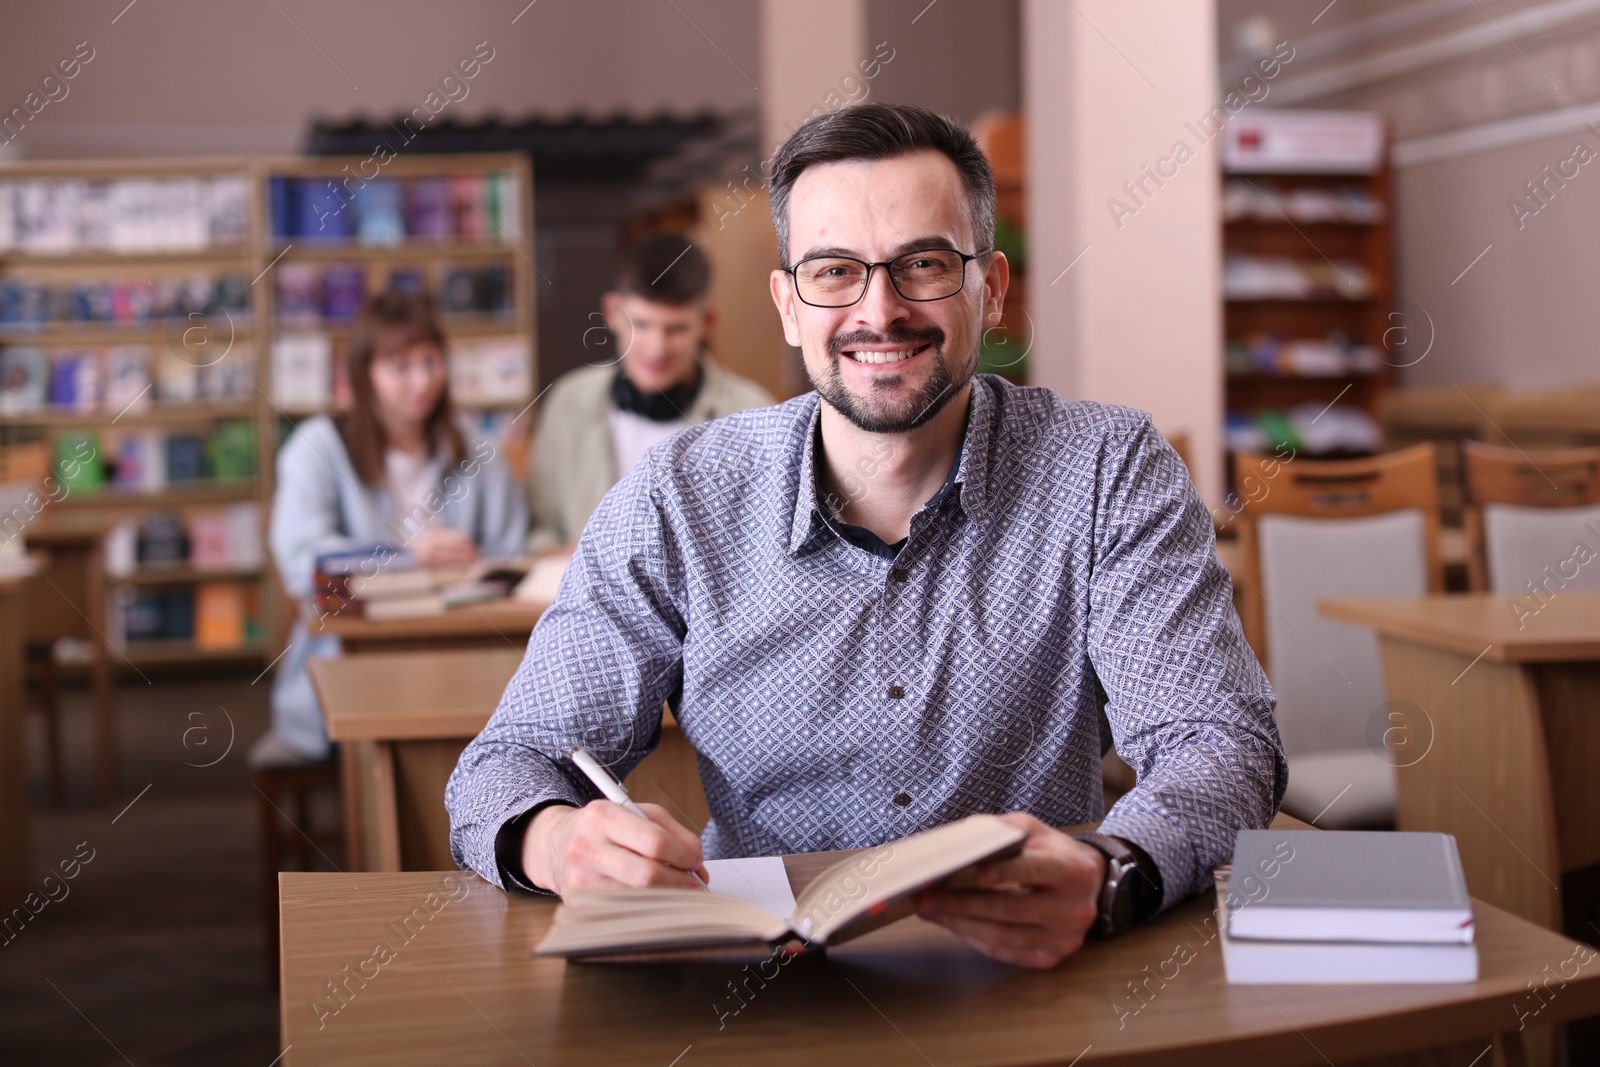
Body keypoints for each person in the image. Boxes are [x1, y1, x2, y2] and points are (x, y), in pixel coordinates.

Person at [446, 103, 1285, 969]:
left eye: (923, 264)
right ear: (786, 304)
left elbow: (1219, 742)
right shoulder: (679, 496)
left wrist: (1115, 870)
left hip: (1033, 986)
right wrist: (555, 841)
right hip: (761, 998)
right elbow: (506, 763)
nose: (879, 312)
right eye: (836, 270)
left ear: (991, 288)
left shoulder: (1108, 468)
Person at [268, 292, 527, 759]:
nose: (422, 381)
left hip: (462, 659)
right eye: (400, 367)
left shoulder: (477, 449)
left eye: (431, 361)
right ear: (364, 373)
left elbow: (512, 554)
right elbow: (301, 561)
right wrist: (405, 558)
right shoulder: (318, 446)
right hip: (347, 672)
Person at [523, 233, 773, 554]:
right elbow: (538, 529)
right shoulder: (568, 402)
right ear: (612, 313)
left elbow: (767, 541)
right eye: (641, 324)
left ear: (708, 322)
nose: (656, 348)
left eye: (676, 329)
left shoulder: (752, 413)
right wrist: (564, 556)